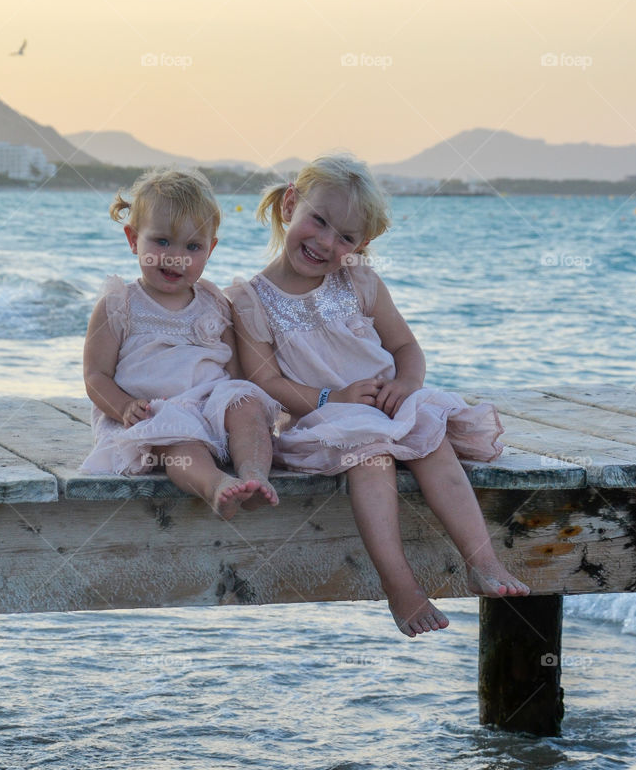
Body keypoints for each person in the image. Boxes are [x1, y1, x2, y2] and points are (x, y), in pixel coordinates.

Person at [226, 153, 530, 635]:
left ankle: (482, 560)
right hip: (325, 416)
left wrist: (406, 384)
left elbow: (405, 346)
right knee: (373, 458)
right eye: (318, 221)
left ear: (361, 245)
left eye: (345, 236)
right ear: (290, 205)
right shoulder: (251, 299)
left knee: (433, 442)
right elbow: (268, 384)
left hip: (387, 407)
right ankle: (400, 585)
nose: (326, 242)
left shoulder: (360, 282)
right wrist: (334, 397)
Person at [81, 167, 279, 519]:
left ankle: (254, 476)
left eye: (192, 246)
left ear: (210, 250)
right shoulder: (119, 304)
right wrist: (124, 406)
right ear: (132, 239)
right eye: (162, 242)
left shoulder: (215, 302)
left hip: (209, 406)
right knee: (180, 442)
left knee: (247, 404)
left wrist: (241, 411)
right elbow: (96, 376)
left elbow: (234, 371)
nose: (176, 256)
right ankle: (215, 485)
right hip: (153, 414)